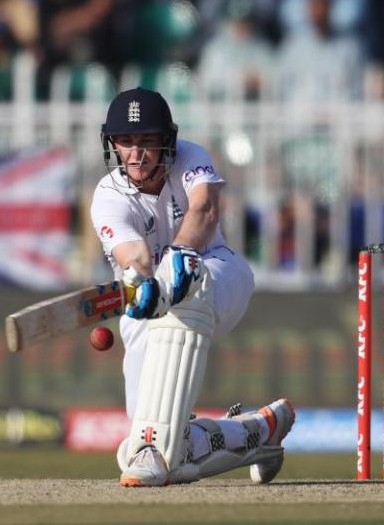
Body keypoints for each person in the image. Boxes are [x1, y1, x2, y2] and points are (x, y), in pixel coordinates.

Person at [90, 87, 295, 487]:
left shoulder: (192, 156)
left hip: (220, 272)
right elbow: (135, 254)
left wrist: (182, 252)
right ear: (112, 143)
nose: (136, 153)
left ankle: (161, 447)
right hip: (144, 303)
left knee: (189, 288)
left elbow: (205, 207)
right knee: (160, 441)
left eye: (148, 141)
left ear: (167, 140)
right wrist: (151, 276)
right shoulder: (106, 196)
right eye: (126, 141)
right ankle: (259, 431)